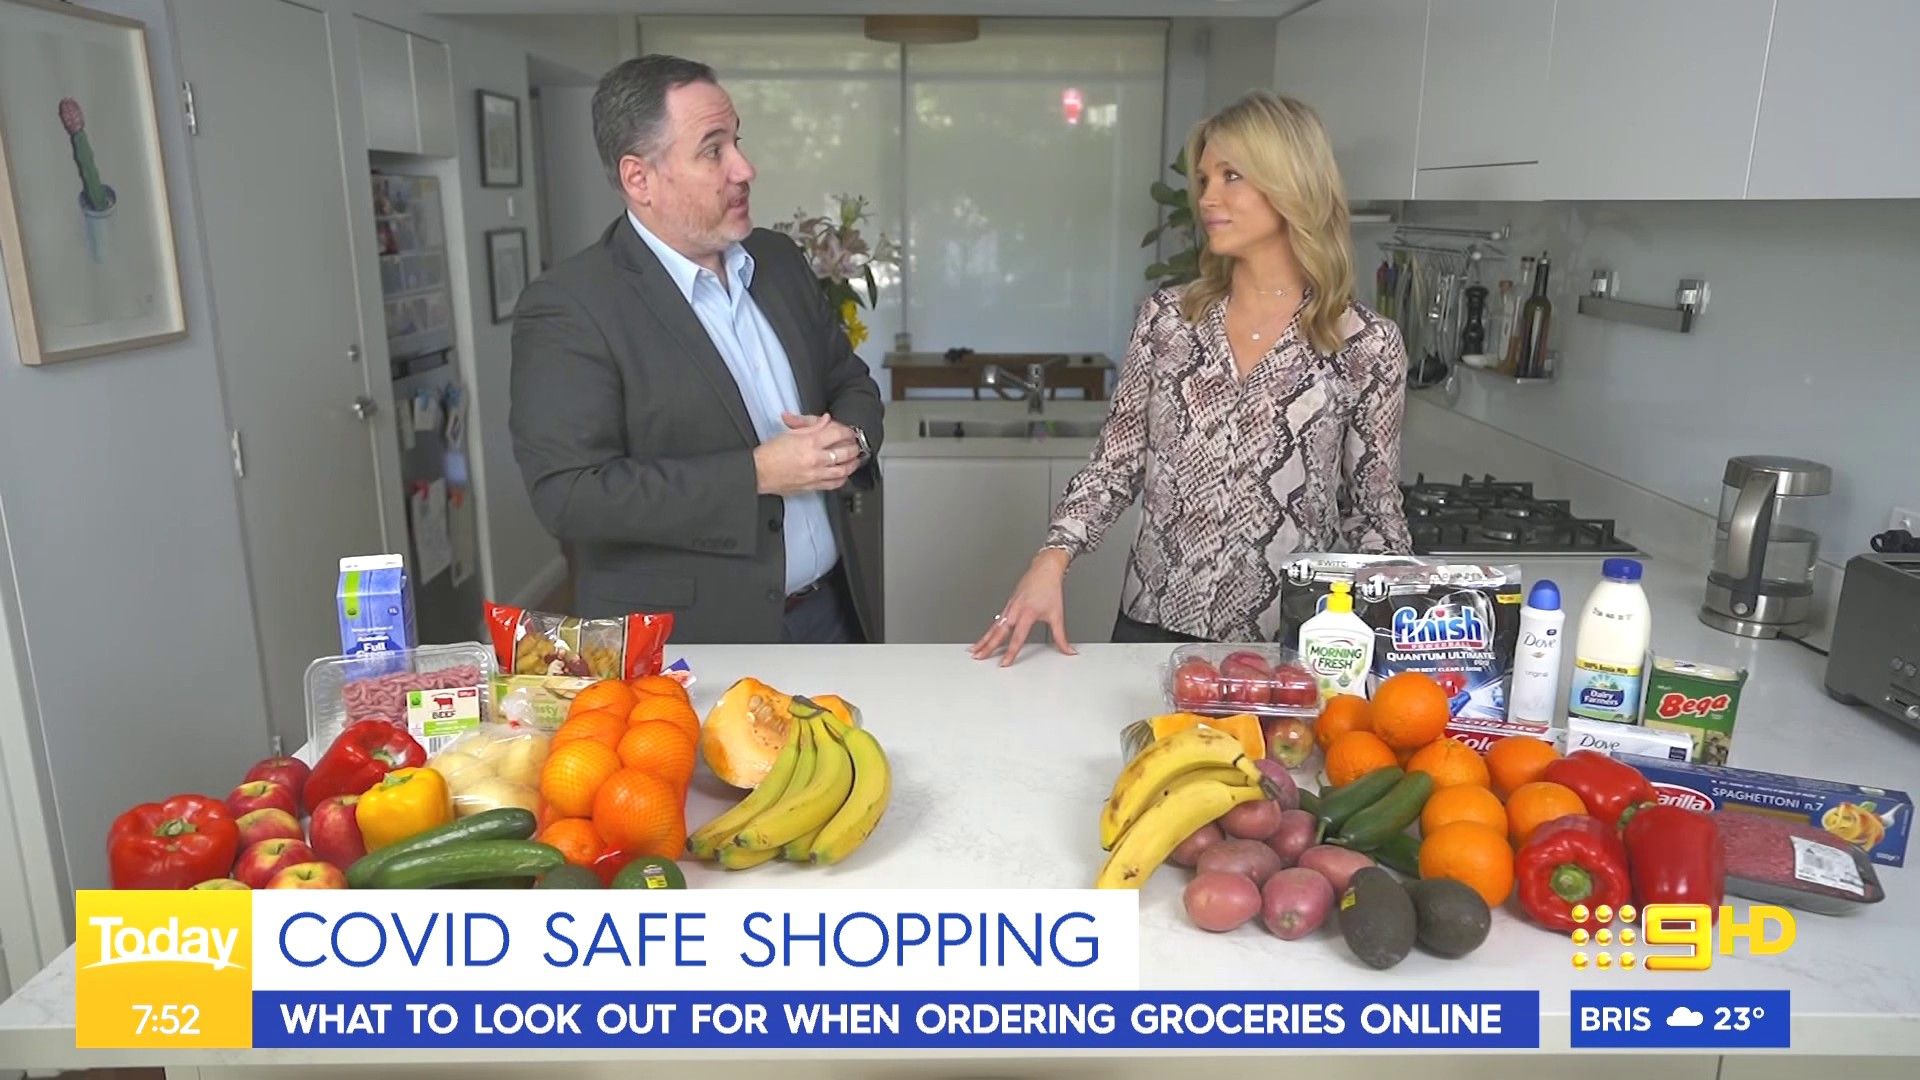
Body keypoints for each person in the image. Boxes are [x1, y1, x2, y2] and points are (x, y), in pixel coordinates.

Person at [971, 91, 1413, 665]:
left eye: (1232, 176)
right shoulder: (1168, 320)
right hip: (1149, 631)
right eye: (1204, 179)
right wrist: (1051, 559)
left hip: (1284, 647)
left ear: (1291, 183)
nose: (1207, 197)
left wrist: (1404, 631)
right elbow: (1116, 465)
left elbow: (1372, 511)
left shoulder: (1364, 343)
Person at [509, 55, 884, 643]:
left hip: (833, 613)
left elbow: (850, 381)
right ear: (639, 179)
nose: (744, 168)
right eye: (713, 150)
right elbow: (569, 495)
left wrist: (850, 441)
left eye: (737, 141)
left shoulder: (779, 261)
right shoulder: (570, 305)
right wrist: (756, 473)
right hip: (693, 641)